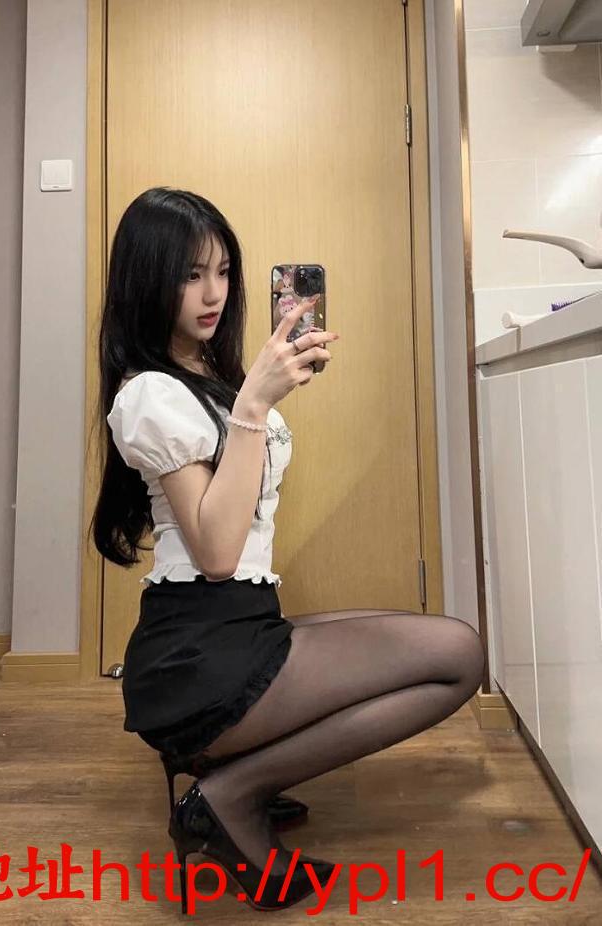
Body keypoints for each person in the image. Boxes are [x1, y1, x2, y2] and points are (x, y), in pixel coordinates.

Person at [90, 186, 485, 912]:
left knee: (413, 636)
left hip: (232, 627)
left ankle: (239, 772)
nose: (212, 293)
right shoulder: (150, 393)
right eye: (189, 275)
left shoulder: (203, 379)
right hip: (200, 654)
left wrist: (250, 398)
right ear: (148, 280)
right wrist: (253, 406)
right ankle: (232, 792)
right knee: (457, 654)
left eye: (221, 271)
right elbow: (216, 552)